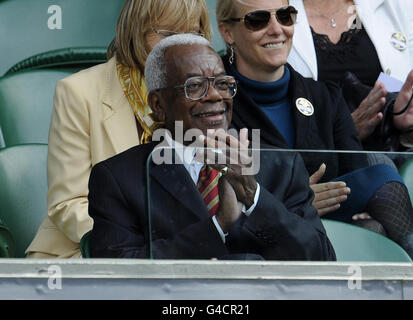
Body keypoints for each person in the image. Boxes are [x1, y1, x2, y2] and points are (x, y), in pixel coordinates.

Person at [88, 34, 336, 261]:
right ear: (158, 104)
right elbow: (119, 271)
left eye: (222, 83)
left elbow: (321, 260)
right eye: (195, 86)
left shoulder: (282, 165)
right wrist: (218, 225)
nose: (215, 96)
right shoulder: (119, 178)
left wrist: (254, 198)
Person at [216, 0, 413, 256]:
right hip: (252, 238)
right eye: (258, 20)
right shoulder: (215, 103)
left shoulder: (325, 97)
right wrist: (298, 201)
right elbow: (212, 197)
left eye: (285, 16)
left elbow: (355, 172)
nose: (276, 29)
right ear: (227, 32)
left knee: (375, 213)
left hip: (323, 230)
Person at [25, 0, 212, 259]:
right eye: (168, 35)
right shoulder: (79, 92)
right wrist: (146, 243)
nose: (182, 47)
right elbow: (68, 204)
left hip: (186, 251)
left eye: (194, 35)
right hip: (89, 252)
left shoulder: (211, 93)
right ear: (136, 32)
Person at [288, 0, 413, 153]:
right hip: (317, 168)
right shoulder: (270, 14)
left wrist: (397, 109)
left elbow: (402, 83)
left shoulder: (397, 5)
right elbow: (263, 124)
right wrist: (344, 131)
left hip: (396, 159)